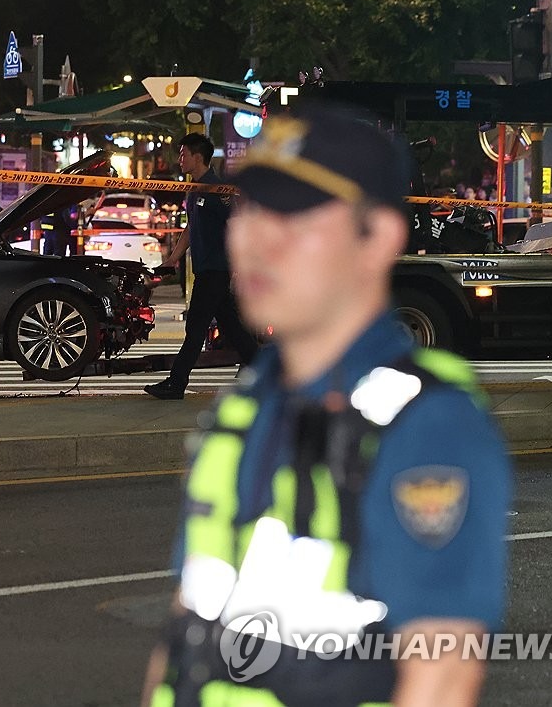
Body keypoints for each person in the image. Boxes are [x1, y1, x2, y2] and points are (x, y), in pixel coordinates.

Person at [140, 105, 511, 707]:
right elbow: (188, 625)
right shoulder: (242, 409)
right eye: (251, 209)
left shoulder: (424, 421)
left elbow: (441, 674)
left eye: (296, 215)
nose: (257, 240)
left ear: (378, 238)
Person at [146, 133, 258, 399]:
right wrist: (173, 258)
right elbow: (190, 228)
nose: (180, 159)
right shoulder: (194, 189)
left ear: (198, 157)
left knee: (195, 329)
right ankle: (265, 368)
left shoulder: (218, 190)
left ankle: (176, 383)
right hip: (205, 268)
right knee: (232, 327)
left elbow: (236, 225)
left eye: (183, 154)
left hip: (216, 269)